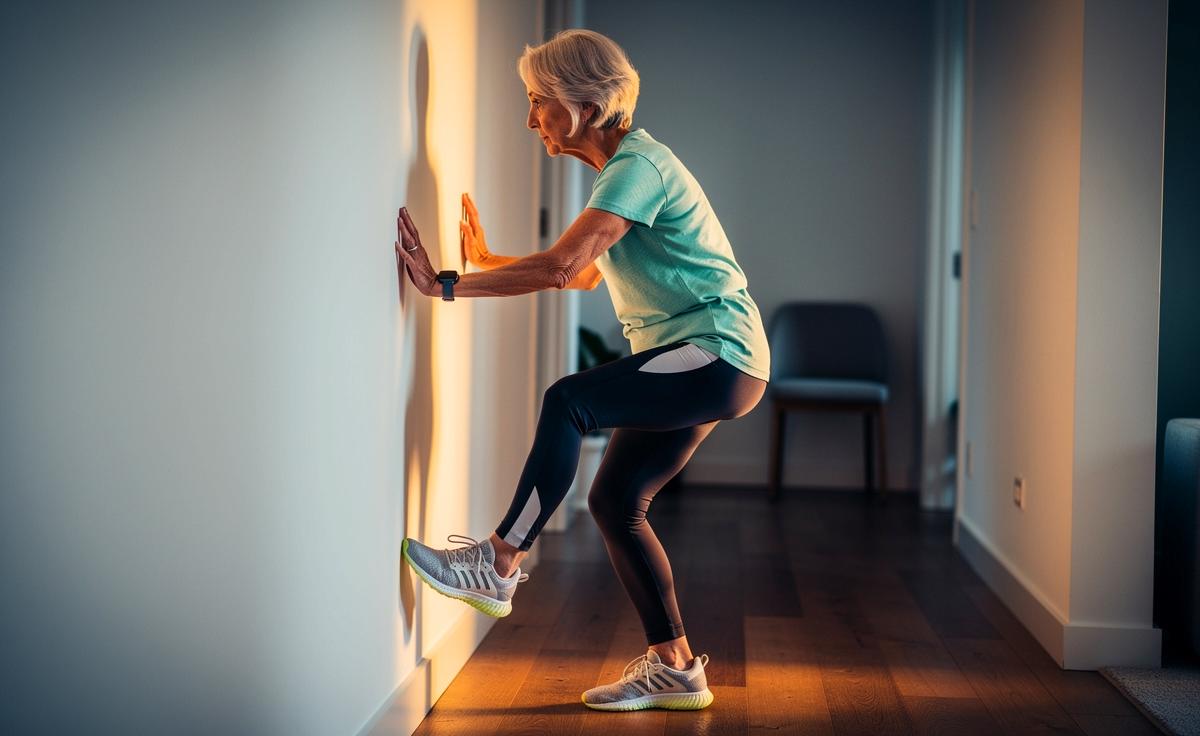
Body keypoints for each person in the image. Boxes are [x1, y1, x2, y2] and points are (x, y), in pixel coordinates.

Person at [395, 28, 770, 712]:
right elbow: (585, 273)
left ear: (584, 106)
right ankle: (677, 668)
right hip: (718, 359)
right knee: (617, 503)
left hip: (716, 350)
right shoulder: (627, 171)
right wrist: (488, 262)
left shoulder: (638, 168)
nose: (530, 119)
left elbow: (564, 267)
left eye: (538, 101)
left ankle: (497, 562)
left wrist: (443, 283)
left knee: (569, 400)